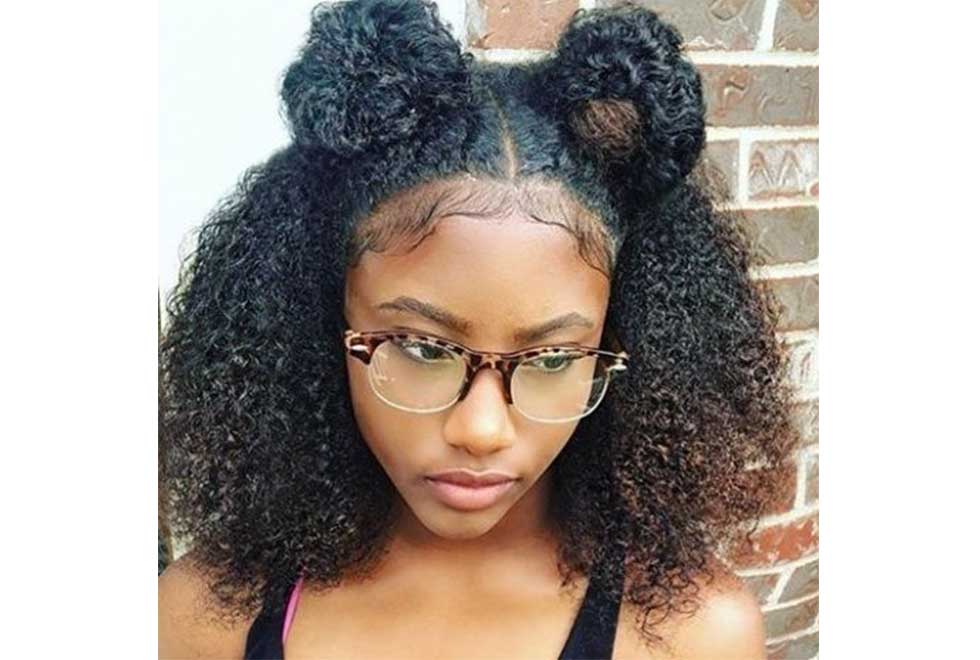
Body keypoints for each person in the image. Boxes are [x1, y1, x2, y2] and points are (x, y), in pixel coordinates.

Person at [158, 1, 800, 657]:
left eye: (553, 358)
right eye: (421, 347)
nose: (482, 430)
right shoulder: (203, 619)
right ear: (323, 324)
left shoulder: (694, 635)